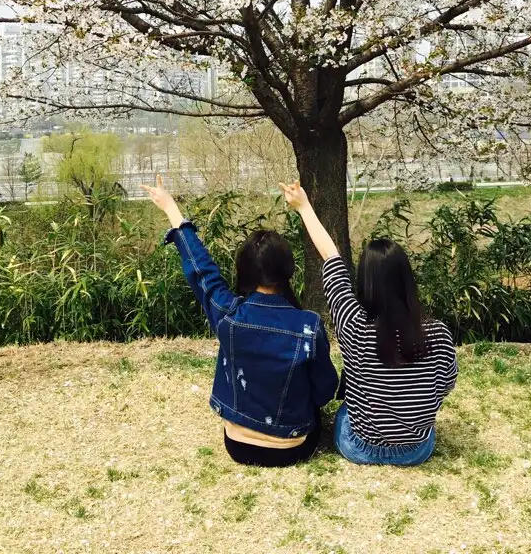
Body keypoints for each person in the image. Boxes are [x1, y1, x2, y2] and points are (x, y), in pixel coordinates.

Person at [142, 175, 338, 467]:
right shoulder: (307, 326)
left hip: (238, 446)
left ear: (244, 272)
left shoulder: (229, 314)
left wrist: (172, 210)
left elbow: (202, 271)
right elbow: (324, 391)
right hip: (294, 447)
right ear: (288, 271)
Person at [280, 181, 458, 467]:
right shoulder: (437, 333)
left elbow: (331, 257)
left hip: (360, 446)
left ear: (364, 282)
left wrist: (303, 206)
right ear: (406, 280)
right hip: (416, 450)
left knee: (344, 411)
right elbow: (445, 385)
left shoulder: (353, 324)